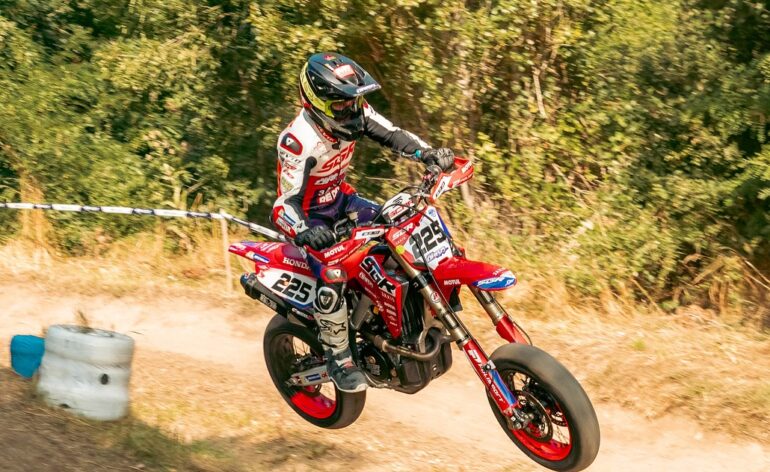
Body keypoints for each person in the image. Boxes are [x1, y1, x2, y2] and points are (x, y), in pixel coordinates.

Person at [271, 53, 455, 393]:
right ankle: (339, 359)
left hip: (343, 201)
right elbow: (284, 204)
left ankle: (404, 316)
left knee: (401, 226)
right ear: (317, 103)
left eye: (354, 100)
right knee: (332, 275)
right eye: (341, 104)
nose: (352, 109)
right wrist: (305, 231)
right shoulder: (297, 141)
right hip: (312, 219)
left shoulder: (356, 111)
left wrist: (428, 153)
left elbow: (394, 135)